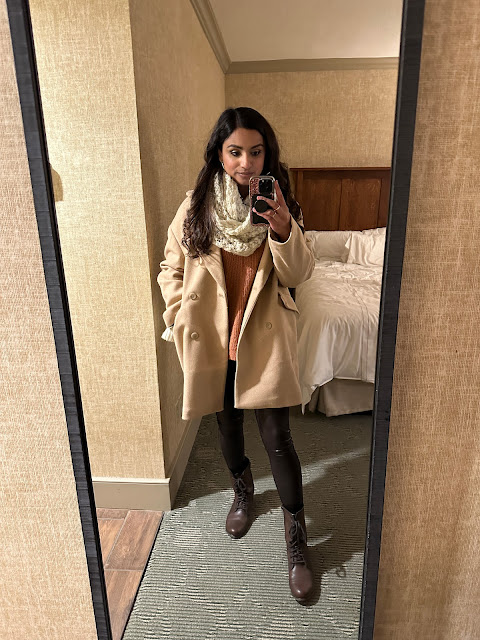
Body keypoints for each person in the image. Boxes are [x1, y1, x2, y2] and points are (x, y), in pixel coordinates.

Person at [157, 107, 315, 603]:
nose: (247, 163)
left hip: (262, 338)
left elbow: (298, 274)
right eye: (236, 152)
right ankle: (243, 492)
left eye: (256, 151)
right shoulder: (196, 206)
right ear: (220, 155)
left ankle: (297, 540)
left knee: (278, 437)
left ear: (267, 154)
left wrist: (284, 228)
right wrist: (177, 314)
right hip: (212, 337)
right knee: (226, 428)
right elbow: (171, 267)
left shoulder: (280, 202)